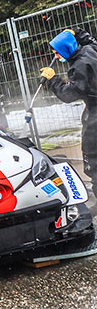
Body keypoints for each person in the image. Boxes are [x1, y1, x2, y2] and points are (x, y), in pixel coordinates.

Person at [40, 29, 97, 208]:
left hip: (95, 116)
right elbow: (89, 40)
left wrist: (53, 80)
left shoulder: (80, 65)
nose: (56, 56)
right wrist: (76, 32)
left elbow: (70, 94)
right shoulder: (91, 49)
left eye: (57, 52)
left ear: (66, 48)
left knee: (93, 158)